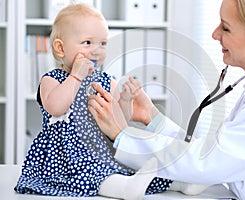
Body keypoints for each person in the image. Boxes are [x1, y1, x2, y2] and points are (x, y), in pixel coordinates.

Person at [87, 0, 245, 199]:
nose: (215, 34)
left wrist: (123, 135)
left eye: (225, 28)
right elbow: (211, 151)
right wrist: (153, 119)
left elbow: (208, 161)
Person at [14, 3, 207, 199]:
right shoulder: (53, 79)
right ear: (60, 48)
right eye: (87, 42)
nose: (97, 50)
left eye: (103, 43)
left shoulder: (106, 80)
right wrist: (76, 77)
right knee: (95, 173)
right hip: (66, 157)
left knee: (132, 165)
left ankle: (181, 182)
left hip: (103, 149)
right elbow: (55, 108)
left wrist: (125, 100)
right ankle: (125, 189)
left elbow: (118, 121)